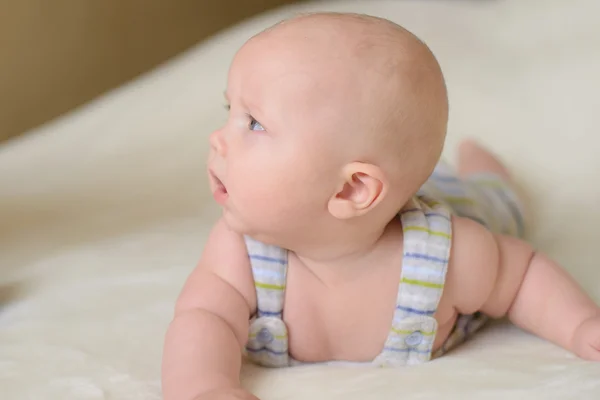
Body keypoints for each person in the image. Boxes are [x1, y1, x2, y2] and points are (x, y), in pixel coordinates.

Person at [161, 12, 600, 400]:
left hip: (459, 203)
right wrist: (205, 387)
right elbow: (204, 318)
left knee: (491, 198)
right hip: (391, 193)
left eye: (253, 122)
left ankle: (483, 161)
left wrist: (581, 325)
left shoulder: (448, 256)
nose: (216, 137)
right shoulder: (240, 253)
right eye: (229, 109)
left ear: (351, 189)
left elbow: (522, 278)